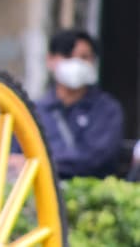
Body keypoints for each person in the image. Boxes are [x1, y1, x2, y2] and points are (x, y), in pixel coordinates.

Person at [33, 28, 126, 180]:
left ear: (93, 61)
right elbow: (13, 158)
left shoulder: (107, 110)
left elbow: (94, 159)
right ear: (50, 60)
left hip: (91, 193)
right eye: (68, 56)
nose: (76, 63)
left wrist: (38, 161)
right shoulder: (35, 110)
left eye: (84, 57)